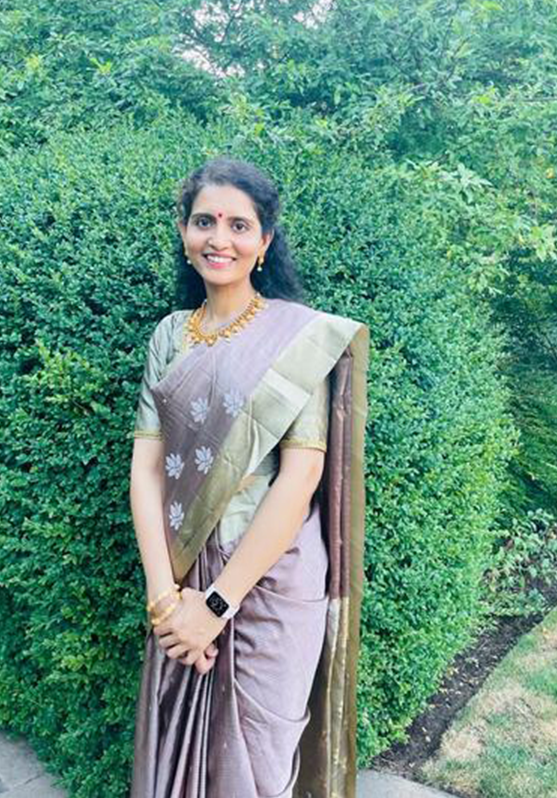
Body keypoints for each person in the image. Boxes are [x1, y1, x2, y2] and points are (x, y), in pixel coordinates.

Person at [129, 156, 370, 798]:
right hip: (182, 580)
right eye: (204, 221)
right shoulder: (169, 337)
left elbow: (302, 476)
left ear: (264, 242)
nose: (220, 238)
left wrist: (215, 605)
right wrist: (165, 601)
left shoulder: (297, 340)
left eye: (240, 225)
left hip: (269, 582)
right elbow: (147, 469)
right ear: (184, 234)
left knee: (255, 769)